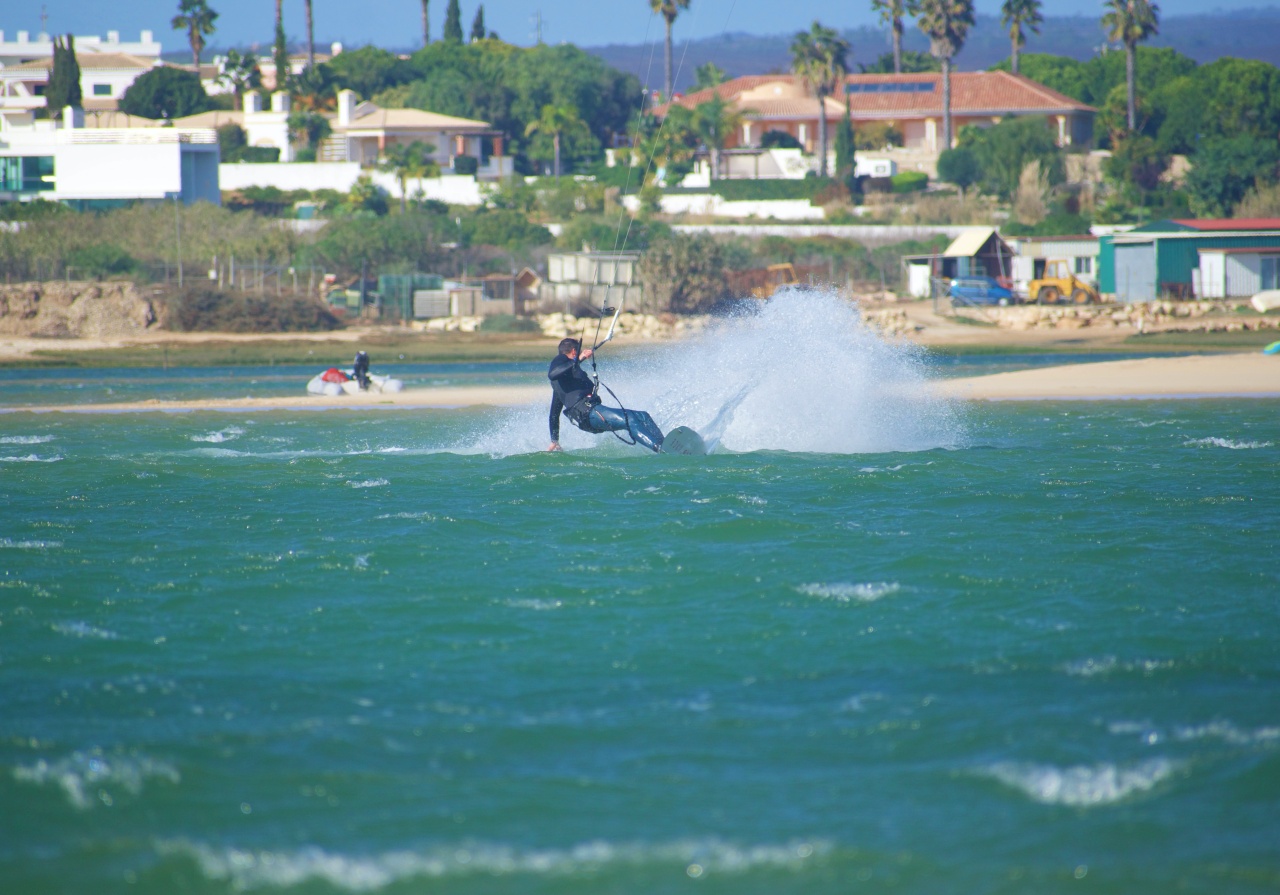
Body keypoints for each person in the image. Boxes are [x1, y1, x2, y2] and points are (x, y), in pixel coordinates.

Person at [547, 337, 664, 453]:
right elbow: (552, 374)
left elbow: (554, 414)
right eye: (577, 352)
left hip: (589, 415)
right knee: (630, 419)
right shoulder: (560, 360)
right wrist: (580, 358)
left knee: (643, 416)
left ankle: (665, 444)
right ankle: (660, 449)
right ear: (574, 351)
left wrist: (554, 440)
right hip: (587, 412)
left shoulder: (563, 383)